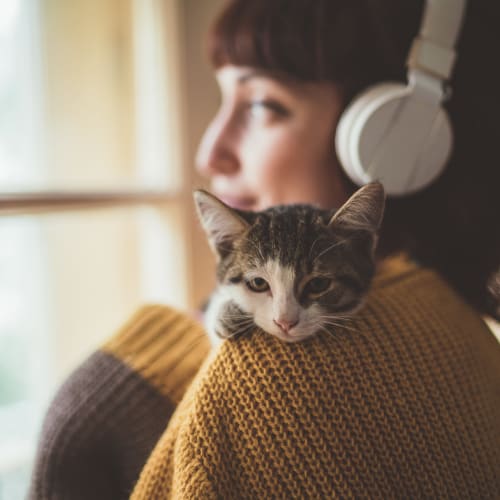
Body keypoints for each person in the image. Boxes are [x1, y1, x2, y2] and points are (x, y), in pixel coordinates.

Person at [29, 0, 500, 498]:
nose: (209, 151)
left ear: (393, 137)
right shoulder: (449, 316)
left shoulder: (273, 381)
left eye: (262, 105)